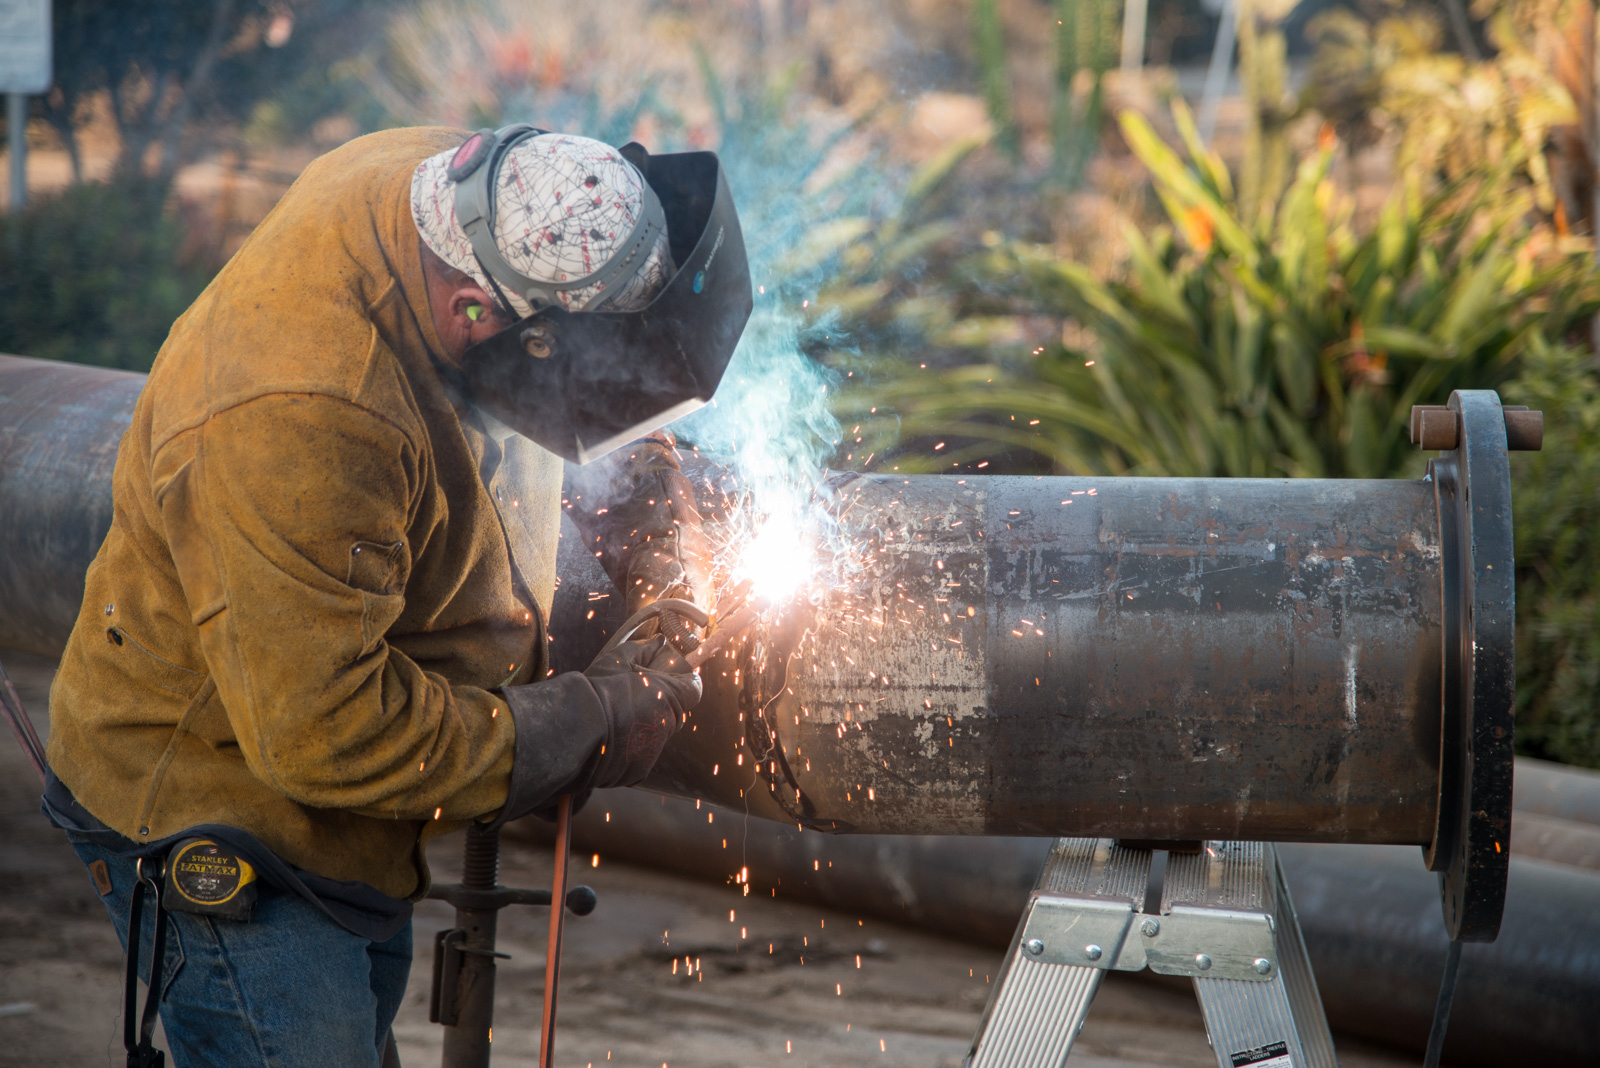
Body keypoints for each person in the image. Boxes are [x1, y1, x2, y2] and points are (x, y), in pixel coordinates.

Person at [40, 125, 750, 1067]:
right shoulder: (303, 412)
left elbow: (585, 357)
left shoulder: (478, 190)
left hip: (362, 814)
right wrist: (586, 721)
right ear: (474, 314)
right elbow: (325, 728)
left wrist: (647, 495)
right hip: (235, 810)